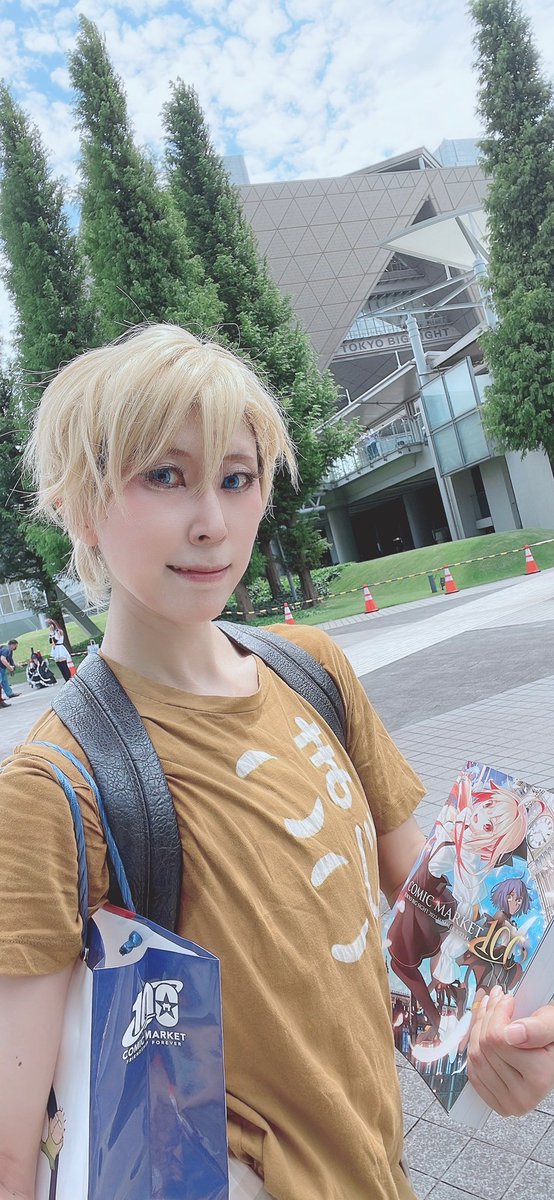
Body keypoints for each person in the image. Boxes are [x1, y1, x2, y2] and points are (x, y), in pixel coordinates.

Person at [1, 325, 553, 1200]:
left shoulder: (311, 670)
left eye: (236, 478)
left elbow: (431, 924)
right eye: (164, 475)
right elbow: (11, 1146)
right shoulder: (53, 787)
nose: (212, 523)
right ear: (77, 504)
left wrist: (498, 1040)